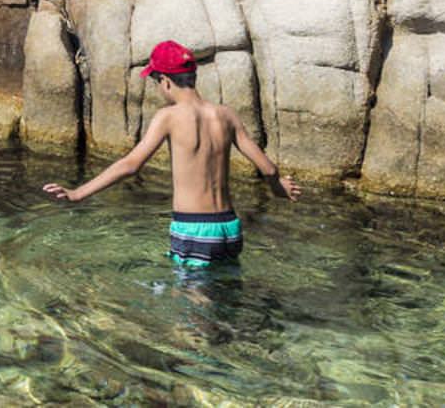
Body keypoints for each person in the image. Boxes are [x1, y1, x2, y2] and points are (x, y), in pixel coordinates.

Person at [42, 40, 299, 268]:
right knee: (226, 298)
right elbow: (268, 169)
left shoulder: (169, 117)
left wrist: (77, 193)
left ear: (165, 81)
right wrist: (278, 187)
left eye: (156, 82)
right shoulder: (226, 115)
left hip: (193, 229)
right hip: (229, 228)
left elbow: (131, 164)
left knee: (193, 315)